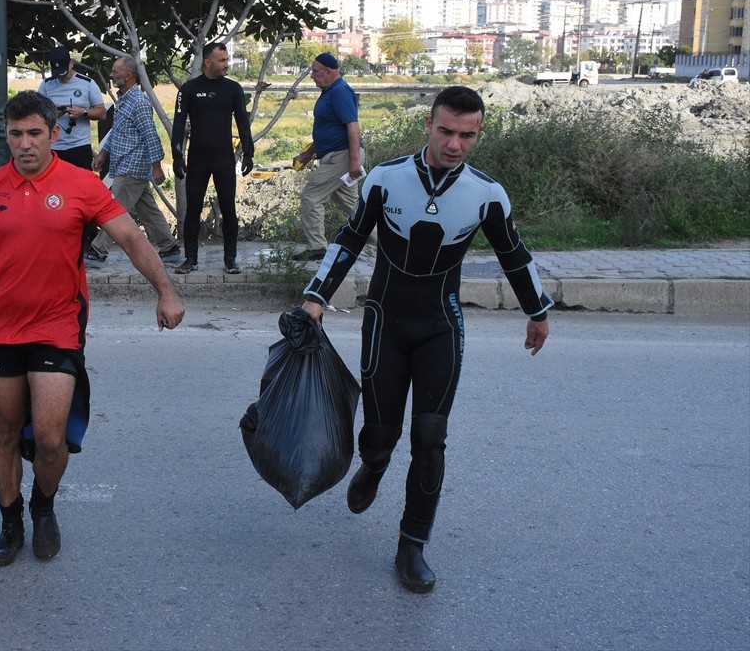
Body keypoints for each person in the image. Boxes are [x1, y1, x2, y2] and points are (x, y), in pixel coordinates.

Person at [0, 90, 186, 567]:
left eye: (35, 133)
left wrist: (166, 291)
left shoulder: (81, 185)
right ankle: (10, 520)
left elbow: (131, 238)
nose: (25, 144)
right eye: (15, 134)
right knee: (3, 431)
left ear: (54, 134)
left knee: (52, 438)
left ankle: (44, 505)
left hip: (58, 324)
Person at [299, 85, 552, 594]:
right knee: (381, 434)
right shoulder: (386, 179)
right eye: (446, 131)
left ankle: (411, 544)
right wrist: (315, 297)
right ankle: (373, 465)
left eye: (467, 135)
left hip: (441, 325)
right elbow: (349, 240)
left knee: (430, 439)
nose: (455, 144)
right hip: (385, 322)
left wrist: (537, 312)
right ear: (429, 126)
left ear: (478, 134)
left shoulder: (487, 194)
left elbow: (514, 255)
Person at [86, 55, 183, 268]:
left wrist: (156, 166)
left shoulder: (138, 102)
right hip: (123, 164)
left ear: (128, 75)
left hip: (133, 166)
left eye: (115, 72)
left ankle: (97, 251)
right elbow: (117, 133)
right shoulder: (124, 100)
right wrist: (103, 154)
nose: (111, 75)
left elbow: (151, 135)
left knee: (114, 211)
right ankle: (170, 248)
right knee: (148, 210)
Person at [170, 41, 254, 275]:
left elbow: (242, 122)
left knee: (229, 209)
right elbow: (178, 124)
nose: (226, 64)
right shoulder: (188, 90)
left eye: (227, 60)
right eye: (222, 60)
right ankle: (190, 258)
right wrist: (177, 154)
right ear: (208, 62)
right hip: (198, 158)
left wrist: (248, 151)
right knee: (192, 210)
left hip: (224, 159)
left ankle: (230, 258)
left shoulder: (233, 89)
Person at [291, 52, 367, 261]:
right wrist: (308, 153)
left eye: (315, 72)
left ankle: (318, 248)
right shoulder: (330, 92)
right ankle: (391, 241)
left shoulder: (340, 92)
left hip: (341, 157)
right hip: (340, 156)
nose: (312, 76)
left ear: (328, 72)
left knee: (311, 197)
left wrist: (352, 161)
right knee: (353, 207)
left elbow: (352, 126)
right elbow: (329, 128)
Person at [38, 46, 106, 171]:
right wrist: (52, 113)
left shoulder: (87, 83)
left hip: (79, 146)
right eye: (58, 73)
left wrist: (83, 113)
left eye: (64, 72)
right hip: (54, 146)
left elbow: (102, 113)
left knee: (81, 187)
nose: (61, 77)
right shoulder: (46, 85)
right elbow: (37, 114)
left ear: (71, 64)